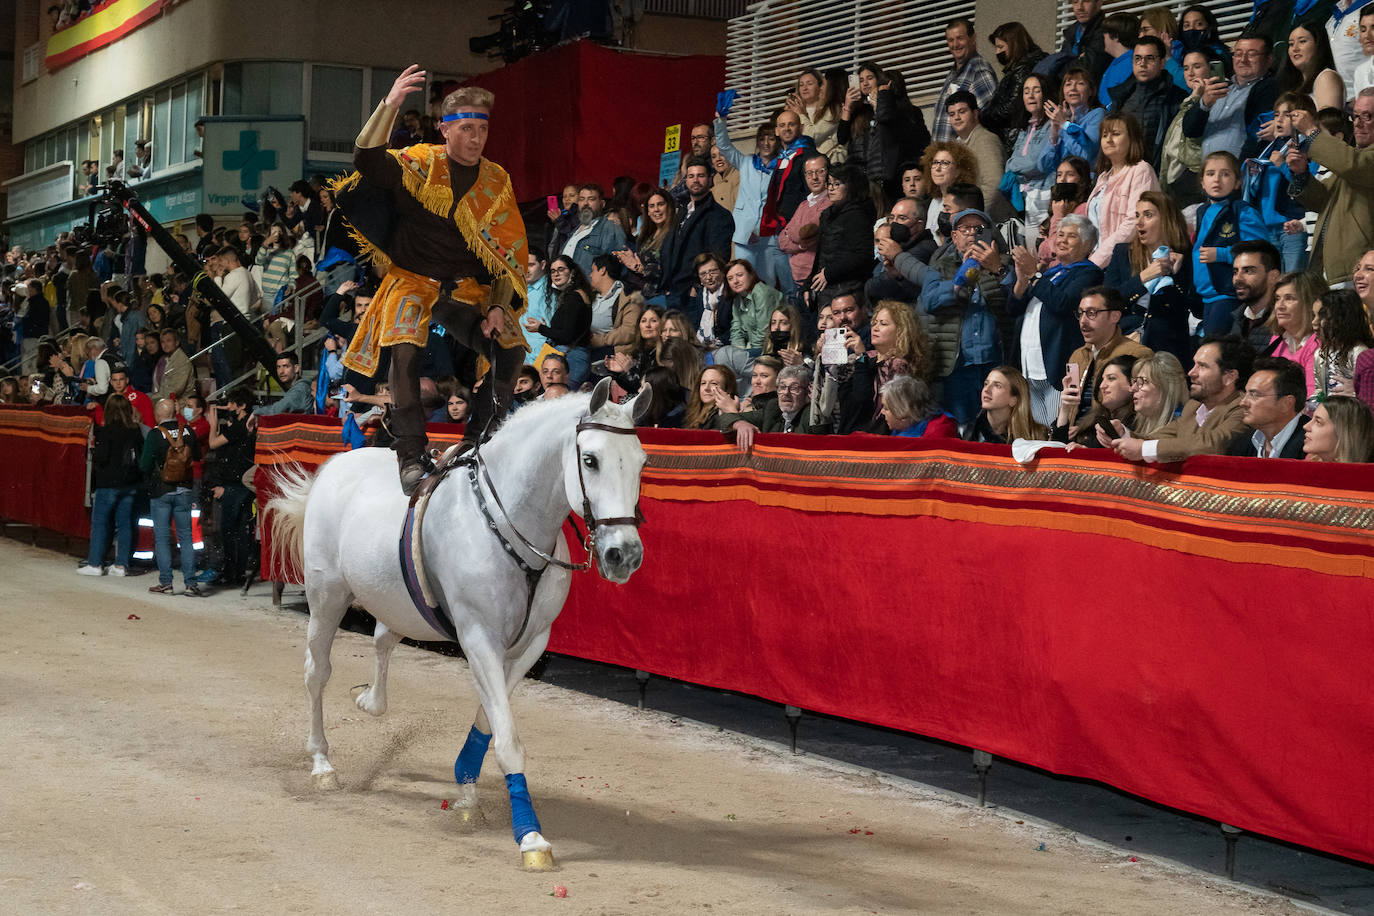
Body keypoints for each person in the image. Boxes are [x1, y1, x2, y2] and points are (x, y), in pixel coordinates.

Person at [333, 68, 530, 494]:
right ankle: (409, 453)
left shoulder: (497, 181)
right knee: (404, 348)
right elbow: (366, 160)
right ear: (445, 130)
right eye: (466, 129)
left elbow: (506, 254)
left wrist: (498, 305)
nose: (476, 138)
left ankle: (479, 442)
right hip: (413, 279)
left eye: (482, 129)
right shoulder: (420, 161)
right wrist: (390, 105)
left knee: (512, 347)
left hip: (466, 288)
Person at [911, 207, 1011, 426]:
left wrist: (997, 268)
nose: (973, 233)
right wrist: (962, 276)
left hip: (994, 361)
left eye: (980, 229)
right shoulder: (939, 266)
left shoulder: (1001, 263)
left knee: (997, 429)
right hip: (957, 365)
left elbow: (1017, 299)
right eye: (966, 229)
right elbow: (930, 301)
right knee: (961, 429)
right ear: (954, 236)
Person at [1009, 214, 1104, 424]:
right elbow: (1013, 308)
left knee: (1055, 430)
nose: (1062, 240)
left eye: (1071, 236)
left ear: (1088, 244)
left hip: (1056, 365)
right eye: (1060, 234)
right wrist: (1022, 279)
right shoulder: (1050, 273)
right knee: (1034, 431)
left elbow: (1062, 303)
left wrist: (1033, 275)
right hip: (1027, 364)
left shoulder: (1090, 274)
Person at [1108, 335, 1253, 461]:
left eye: (1202, 366)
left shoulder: (1242, 409)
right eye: (1194, 364)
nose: (1191, 372)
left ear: (1229, 377)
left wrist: (1144, 449)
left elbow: (1213, 444)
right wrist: (1123, 434)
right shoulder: (1193, 407)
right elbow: (1158, 439)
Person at [1286, 96, 1374, 285]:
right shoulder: (1352, 158)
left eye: (1367, 116)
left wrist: (1312, 131)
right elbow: (1321, 201)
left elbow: (1353, 166)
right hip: (1332, 269)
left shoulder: (1353, 161)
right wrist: (1301, 173)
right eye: (1356, 116)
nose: (1358, 124)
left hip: (1360, 271)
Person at [1103, 190, 1196, 365]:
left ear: (1166, 220)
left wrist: (1178, 275)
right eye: (1137, 215)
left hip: (1168, 347)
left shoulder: (1186, 256)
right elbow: (1108, 301)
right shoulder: (1123, 253)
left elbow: (1195, 307)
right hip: (1127, 340)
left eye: (1148, 215)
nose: (1139, 222)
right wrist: (1142, 278)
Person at [1192, 151, 1269, 334]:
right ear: (1202, 182)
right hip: (1206, 297)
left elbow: (1260, 251)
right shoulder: (1202, 211)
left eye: (1225, 174)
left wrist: (1222, 254)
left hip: (1229, 294)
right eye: (1210, 174)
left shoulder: (1242, 211)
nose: (1217, 179)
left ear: (1237, 182)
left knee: (1218, 351)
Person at [1243, 92, 1316, 274]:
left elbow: (1312, 186)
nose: (1280, 120)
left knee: (1294, 280)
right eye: (1277, 115)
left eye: (1288, 115)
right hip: (1267, 226)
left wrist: (1283, 166)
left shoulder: (1309, 148)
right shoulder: (1271, 147)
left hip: (1292, 225)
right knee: (1274, 282)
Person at [837, 301, 933, 434]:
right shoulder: (870, 356)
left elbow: (864, 400)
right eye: (875, 323)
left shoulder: (898, 365)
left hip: (879, 436)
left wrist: (861, 356)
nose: (875, 328)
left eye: (883, 324)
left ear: (901, 331)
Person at [141, 398, 204, 596]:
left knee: (161, 538)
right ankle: (190, 584)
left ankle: (166, 583)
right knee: (185, 538)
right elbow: (197, 456)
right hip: (185, 490)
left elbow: (144, 465)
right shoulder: (188, 431)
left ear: (159, 415)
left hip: (162, 491)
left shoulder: (154, 434)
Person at [1182, 34, 1278, 161]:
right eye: (1238, 54)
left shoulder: (1270, 89)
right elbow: (1190, 130)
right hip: (1210, 174)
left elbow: (1259, 137)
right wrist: (1204, 103)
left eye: (1251, 54)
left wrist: (1241, 172)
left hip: (1241, 174)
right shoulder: (1218, 87)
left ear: (1269, 59)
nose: (1243, 60)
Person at [79, 393, 145, 577]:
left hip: (108, 483)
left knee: (100, 523)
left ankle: (95, 564)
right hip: (130, 484)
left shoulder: (105, 430)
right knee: (124, 524)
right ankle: (121, 565)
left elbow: (101, 457)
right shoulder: (135, 430)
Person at [657, 156, 733, 313]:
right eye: (691, 176)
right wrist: (666, 284)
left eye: (701, 175)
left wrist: (697, 287)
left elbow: (719, 257)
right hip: (672, 290)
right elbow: (669, 248)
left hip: (693, 293)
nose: (695, 180)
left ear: (710, 179)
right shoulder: (681, 210)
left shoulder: (720, 215)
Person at [1064, 286, 1152, 416]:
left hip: (1111, 431)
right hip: (1074, 433)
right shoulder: (1078, 355)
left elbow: (1140, 410)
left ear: (1115, 316)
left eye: (1092, 313)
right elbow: (1069, 406)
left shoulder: (1136, 354)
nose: (1083, 321)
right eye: (1080, 313)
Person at [203, 387, 258, 587]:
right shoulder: (247, 425)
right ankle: (239, 573)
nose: (230, 406)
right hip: (243, 485)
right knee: (242, 531)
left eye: (233, 403)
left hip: (234, 486)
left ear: (242, 406)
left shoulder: (239, 427)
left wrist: (212, 424)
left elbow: (212, 443)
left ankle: (230, 573)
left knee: (229, 531)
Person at [1109, 35, 1189, 170]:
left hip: (1159, 173)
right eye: (1137, 58)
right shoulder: (1121, 96)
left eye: (1150, 58)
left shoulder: (1176, 97)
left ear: (1163, 63)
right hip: (1123, 172)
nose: (1142, 63)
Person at [807, 163, 879, 308]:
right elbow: (821, 254)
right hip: (826, 287)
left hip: (849, 289)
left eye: (837, 184)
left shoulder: (858, 215)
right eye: (829, 183)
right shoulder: (827, 215)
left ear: (851, 186)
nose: (831, 188)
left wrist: (829, 273)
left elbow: (862, 255)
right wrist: (808, 284)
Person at [1160, 48, 1222, 206]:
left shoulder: (1218, 99)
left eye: (1197, 66)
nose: (1190, 73)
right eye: (1186, 68)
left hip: (1196, 182)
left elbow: (1193, 133)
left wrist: (1198, 97)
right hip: (1176, 182)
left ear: (1211, 68)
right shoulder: (1188, 99)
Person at [1005, 73, 1059, 239]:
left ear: (1045, 94)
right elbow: (1008, 165)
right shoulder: (1025, 127)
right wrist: (1015, 165)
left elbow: (1036, 163)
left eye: (1036, 90)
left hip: (1043, 195)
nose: (1031, 95)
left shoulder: (1052, 124)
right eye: (1026, 91)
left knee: (1040, 249)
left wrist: (1015, 166)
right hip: (1023, 199)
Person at [983, 22, 1049, 153]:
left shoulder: (1023, 70)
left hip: (1014, 140)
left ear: (1014, 45)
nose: (998, 52)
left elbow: (1010, 107)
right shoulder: (1020, 68)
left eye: (1001, 47)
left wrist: (983, 116)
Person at [1227, 356, 1310, 457]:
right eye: (1246, 394)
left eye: (1254, 395)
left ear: (1286, 403)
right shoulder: (1242, 444)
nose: (1243, 403)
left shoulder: (1312, 446)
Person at [932, 19, 999, 143]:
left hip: (961, 157)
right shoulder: (954, 73)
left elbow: (986, 120)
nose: (955, 44)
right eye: (951, 40)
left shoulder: (978, 71)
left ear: (973, 38)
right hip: (944, 156)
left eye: (960, 38)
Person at [776, 154, 833, 295]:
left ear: (828, 173)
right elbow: (782, 241)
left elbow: (807, 232)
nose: (814, 177)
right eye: (809, 173)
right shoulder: (803, 204)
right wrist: (801, 244)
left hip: (813, 279)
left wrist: (791, 232)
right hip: (793, 277)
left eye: (820, 171)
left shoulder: (830, 202)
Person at [1052, 353, 1137, 446]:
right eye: (1102, 380)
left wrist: (1085, 451)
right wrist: (1065, 408)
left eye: (1111, 378)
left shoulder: (1139, 423)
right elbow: (1058, 446)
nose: (1102, 386)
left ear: (1133, 383)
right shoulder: (1096, 419)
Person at [946, 91, 1006, 215]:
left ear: (975, 113)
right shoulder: (955, 145)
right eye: (952, 114)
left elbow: (993, 184)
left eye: (962, 112)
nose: (957, 117)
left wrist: (973, 215)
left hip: (990, 219)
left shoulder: (986, 139)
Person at [1040, 66, 1107, 176]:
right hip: (1063, 184)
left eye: (1080, 83)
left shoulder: (1098, 114)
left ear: (1091, 91)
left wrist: (1064, 125)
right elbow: (1044, 166)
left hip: (1087, 184)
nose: (1073, 88)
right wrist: (1054, 135)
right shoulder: (1061, 117)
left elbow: (1085, 158)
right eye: (1068, 84)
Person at [1267, 270, 1325, 395]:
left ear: (1311, 304)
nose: (1279, 306)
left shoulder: (1320, 343)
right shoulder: (1277, 340)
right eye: (1277, 299)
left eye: (1289, 298)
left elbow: (1313, 397)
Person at [616, 187, 676, 303]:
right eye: (652, 206)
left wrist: (639, 268)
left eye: (660, 204)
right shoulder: (646, 236)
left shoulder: (675, 234)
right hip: (643, 297)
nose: (656, 210)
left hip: (664, 298)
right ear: (647, 211)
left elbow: (670, 268)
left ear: (669, 207)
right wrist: (631, 260)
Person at [1314, 288, 1374, 403]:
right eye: (1315, 316)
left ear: (1342, 318)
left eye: (1322, 316)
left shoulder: (1359, 353)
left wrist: (1355, 393)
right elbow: (1319, 390)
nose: (1315, 322)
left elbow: (1365, 394)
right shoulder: (1320, 354)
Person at [964, 365, 1047, 443]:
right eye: (986, 384)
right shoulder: (971, 431)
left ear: (1014, 400)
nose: (986, 389)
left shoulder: (1037, 435)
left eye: (997, 386)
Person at [1276, 24, 1346, 111]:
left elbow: (1328, 123)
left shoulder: (1326, 77)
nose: (1295, 48)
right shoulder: (1295, 83)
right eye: (1291, 44)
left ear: (1318, 45)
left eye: (1302, 41)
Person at [918, 142, 980, 231]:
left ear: (958, 170)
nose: (937, 168)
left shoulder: (963, 203)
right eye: (935, 162)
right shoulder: (932, 202)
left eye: (945, 163)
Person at [787, 68, 845, 161]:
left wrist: (801, 114)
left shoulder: (832, 109)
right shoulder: (792, 112)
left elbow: (811, 136)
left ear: (819, 86)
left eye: (809, 84)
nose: (805, 88)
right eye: (801, 85)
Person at [1129, 351, 1189, 437]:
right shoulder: (1137, 423)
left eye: (1143, 381)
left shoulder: (1184, 427)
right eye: (1134, 382)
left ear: (1166, 387)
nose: (1133, 388)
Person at [1304, 395, 1374, 460]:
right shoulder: (1306, 466)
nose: (1306, 426)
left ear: (1344, 433)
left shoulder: (1366, 472)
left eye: (1318, 422)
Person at [1097, 12, 1143, 107]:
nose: (1103, 39)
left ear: (1116, 36)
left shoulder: (1133, 64)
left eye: (1104, 34)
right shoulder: (1116, 63)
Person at [255, 351, 314, 416]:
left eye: (286, 366)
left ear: (296, 368)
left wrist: (256, 412)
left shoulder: (300, 389)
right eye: (278, 367)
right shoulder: (298, 387)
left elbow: (279, 409)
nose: (281, 371)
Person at [683, 364, 737, 430]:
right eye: (703, 383)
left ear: (727, 389)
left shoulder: (721, 416)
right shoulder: (689, 413)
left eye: (713, 383)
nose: (706, 388)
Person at [151, 328, 195, 402]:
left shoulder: (181, 360)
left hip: (185, 404)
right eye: (162, 342)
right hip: (169, 399)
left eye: (168, 341)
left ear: (177, 342)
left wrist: (157, 400)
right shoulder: (165, 358)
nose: (165, 344)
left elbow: (176, 389)